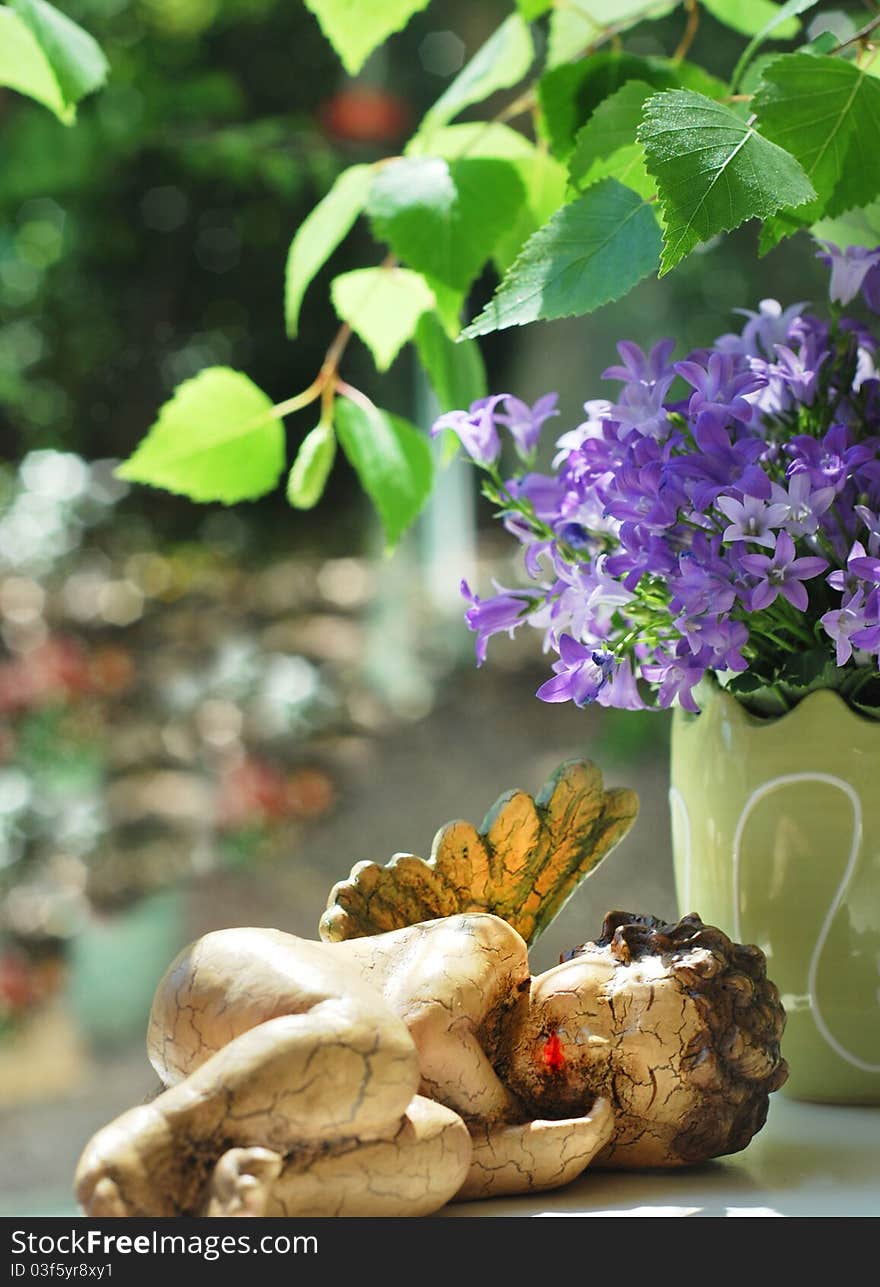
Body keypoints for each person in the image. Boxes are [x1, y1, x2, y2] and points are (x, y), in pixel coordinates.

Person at [74, 909, 787, 1217]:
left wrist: (517, 1161)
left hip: (293, 1109)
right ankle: (157, 1139)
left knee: (440, 1151)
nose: (592, 1053)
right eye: (617, 1009)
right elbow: (423, 1035)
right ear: (605, 952)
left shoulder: (467, 1115)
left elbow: (450, 1171)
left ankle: (257, 1195)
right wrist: (512, 1133)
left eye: (623, 1093)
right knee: (379, 1051)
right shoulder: (489, 948)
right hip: (223, 992)